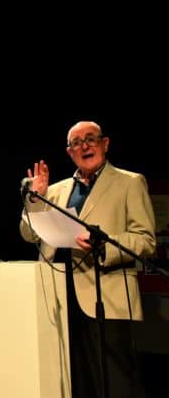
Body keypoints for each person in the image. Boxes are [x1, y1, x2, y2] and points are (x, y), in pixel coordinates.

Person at [20, 120, 156, 398]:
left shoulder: (130, 182)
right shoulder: (55, 190)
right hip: (61, 296)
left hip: (107, 295)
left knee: (116, 380)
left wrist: (103, 246)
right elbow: (28, 234)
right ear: (69, 152)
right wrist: (36, 199)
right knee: (75, 378)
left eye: (90, 139)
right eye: (76, 143)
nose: (84, 146)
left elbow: (145, 240)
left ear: (105, 144)